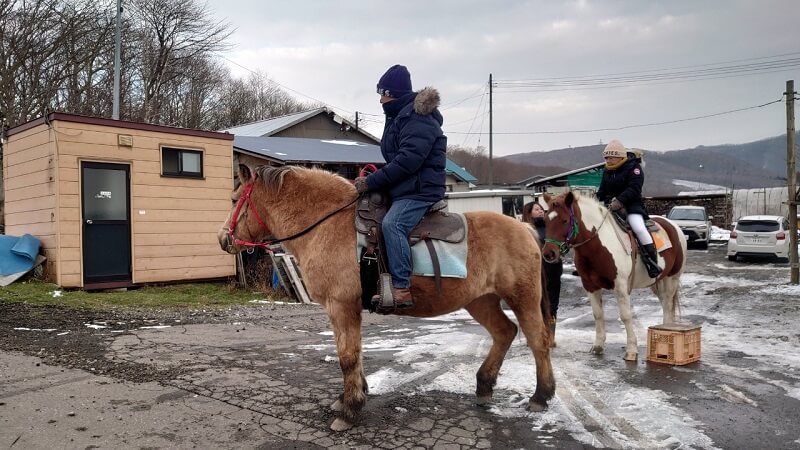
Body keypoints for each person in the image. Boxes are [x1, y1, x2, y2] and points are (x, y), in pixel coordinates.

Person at [354, 64, 447, 309]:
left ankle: (401, 286)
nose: (381, 100)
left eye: (383, 94)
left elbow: (408, 161)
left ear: (394, 94)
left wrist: (372, 181)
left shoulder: (418, 118)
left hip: (419, 190)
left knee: (392, 223)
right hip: (404, 187)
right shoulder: (399, 116)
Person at [596, 140, 662, 278]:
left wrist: (620, 201)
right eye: (606, 158)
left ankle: (652, 263)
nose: (608, 160)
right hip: (610, 207)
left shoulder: (634, 169)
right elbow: (602, 190)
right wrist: (596, 198)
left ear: (621, 157)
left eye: (611, 157)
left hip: (632, 206)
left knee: (639, 228)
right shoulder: (607, 170)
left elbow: (634, 189)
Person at [523, 201, 562, 346]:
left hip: (553, 271)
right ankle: (534, 336)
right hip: (534, 272)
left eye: (541, 209)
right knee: (534, 304)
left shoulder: (550, 227)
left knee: (552, 304)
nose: (540, 211)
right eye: (537, 209)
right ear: (529, 212)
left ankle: (550, 336)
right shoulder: (525, 229)